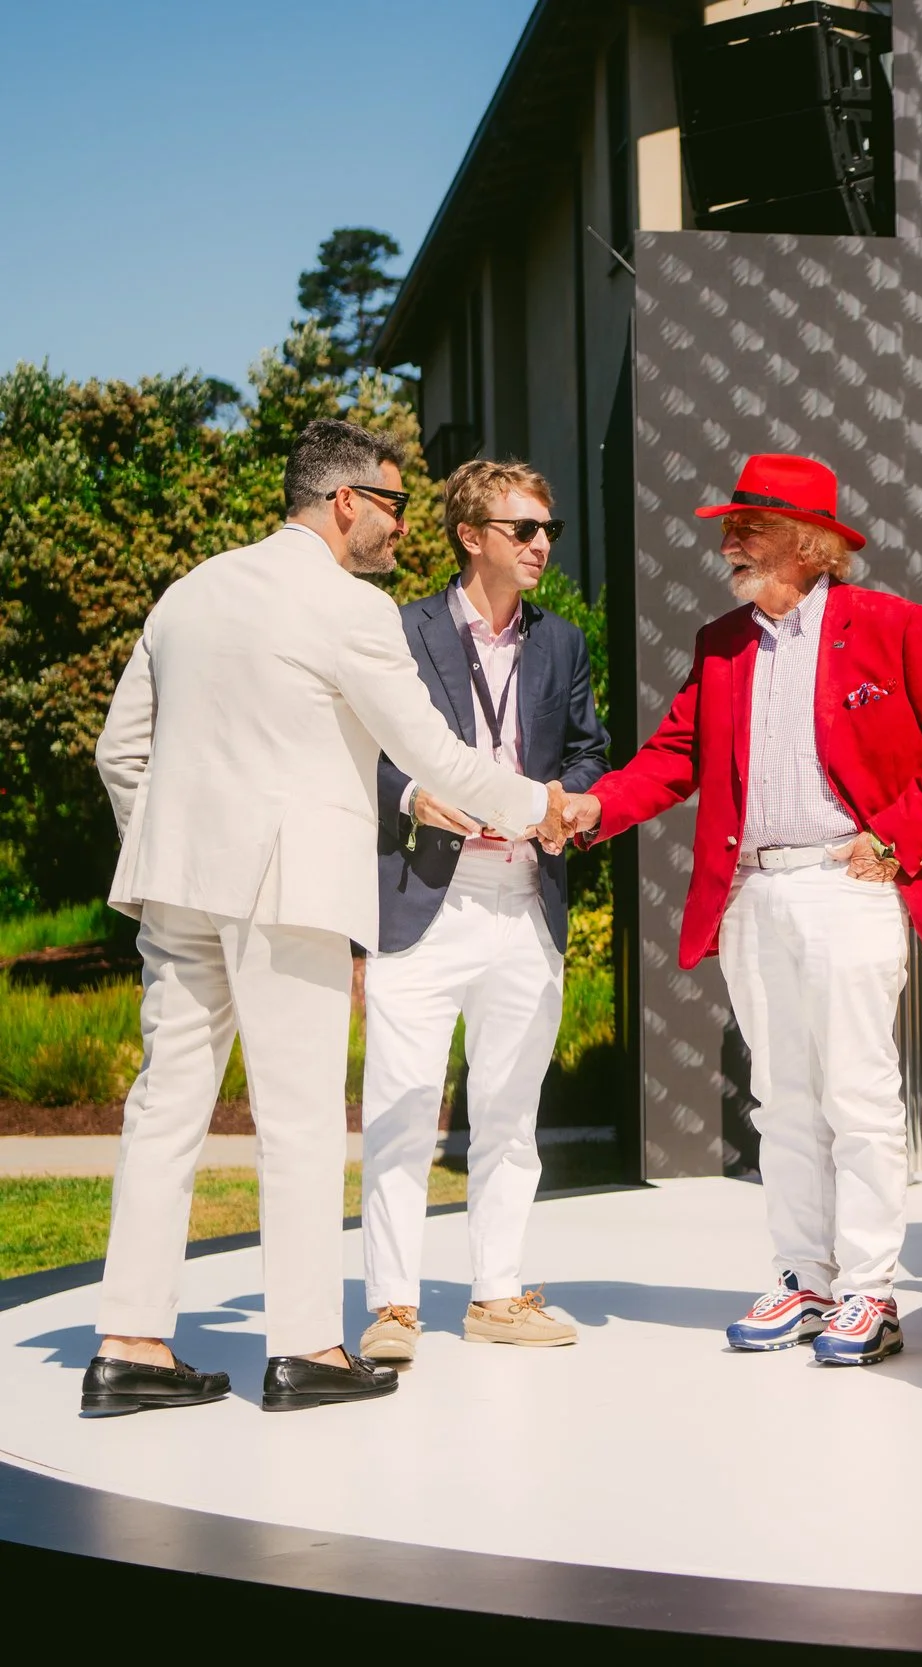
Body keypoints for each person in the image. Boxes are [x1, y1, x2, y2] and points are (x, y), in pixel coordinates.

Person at [84, 419, 570, 1416]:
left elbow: (118, 751)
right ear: (346, 501)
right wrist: (538, 806)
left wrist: (173, 841)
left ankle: (129, 1343)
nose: (402, 527)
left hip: (178, 887)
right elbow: (433, 753)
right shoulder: (351, 609)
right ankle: (305, 1348)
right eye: (393, 504)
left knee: (163, 1111)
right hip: (288, 891)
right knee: (299, 1119)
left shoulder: (189, 593)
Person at [565, 453, 922, 1365]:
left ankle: (871, 1290)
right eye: (732, 526)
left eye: (749, 526)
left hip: (847, 887)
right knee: (783, 1098)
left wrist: (894, 838)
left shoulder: (893, 626)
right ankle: (804, 1276)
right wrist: (595, 806)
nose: (729, 541)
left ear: (808, 545)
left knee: (859, 1094)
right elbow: (675, 755)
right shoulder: (722, 642)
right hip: (754, 893)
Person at [356, 459, 610, 1363]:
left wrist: (567, 801)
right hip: (428, 897)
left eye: (550, 530)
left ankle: (496, 1294)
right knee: (401, 1105)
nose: (544, 545)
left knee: (510, 1111)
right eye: (525, 529)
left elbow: (588, 752)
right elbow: (359, 743)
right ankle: (390, 1305)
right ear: (472, 537)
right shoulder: (400, 628)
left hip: (524, 899)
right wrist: (414, 792)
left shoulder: (564, 644)